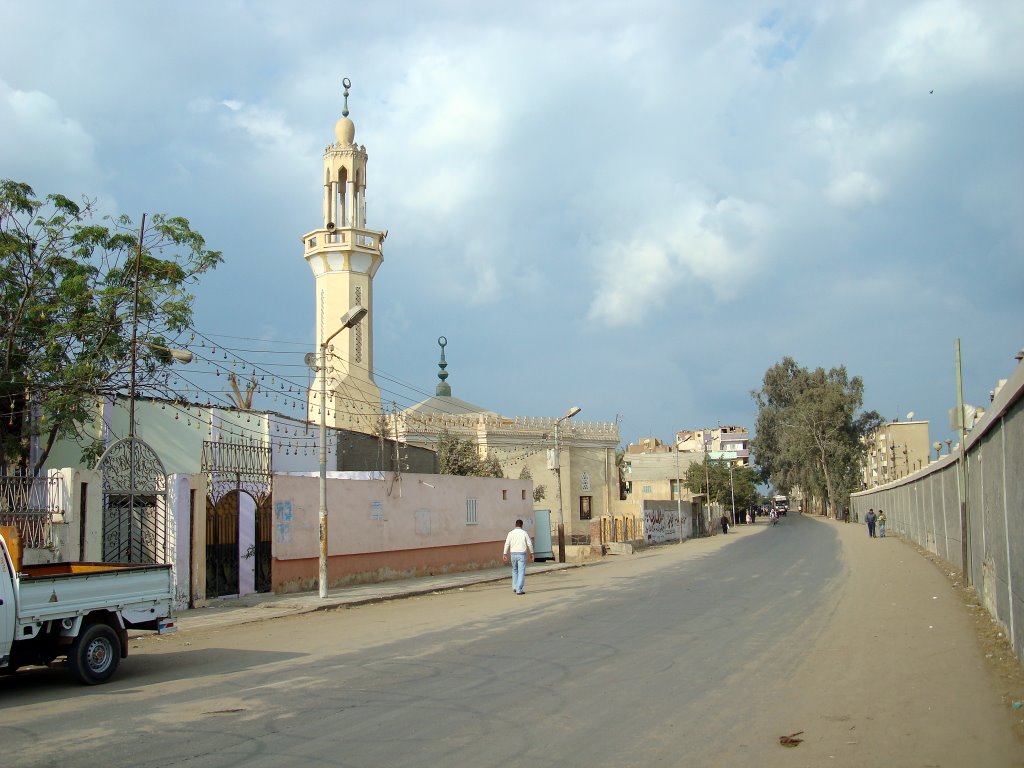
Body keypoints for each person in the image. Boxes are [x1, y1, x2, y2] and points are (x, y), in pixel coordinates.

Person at [502, 519, 534, 595]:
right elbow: (529, 543)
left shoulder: (510, 533)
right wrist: (532, 553)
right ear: (522, 525)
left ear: (515, 525)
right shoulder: (524, 533)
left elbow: (507, 544)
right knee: (521, 571)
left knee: (514, 570)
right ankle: (519, 589)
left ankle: (514, 587)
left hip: (513, 554)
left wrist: (505, 554)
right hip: (521, 554)